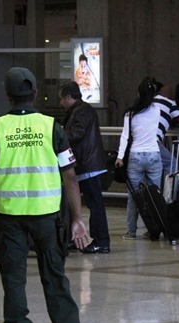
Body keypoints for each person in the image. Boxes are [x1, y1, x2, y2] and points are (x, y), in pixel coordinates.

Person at [0, 67, 88, 323]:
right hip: (47, 218)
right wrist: (77, 218)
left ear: (8, 97)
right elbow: (70, 176)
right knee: (55, 277)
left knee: (13, 281)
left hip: (9, 218)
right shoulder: (52, 127)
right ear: (36, 94)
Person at [58, 81, 111, 254]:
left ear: (68, 97)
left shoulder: (81, 111)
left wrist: (58, 137)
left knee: (95, 205)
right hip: (86, 164)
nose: (60, 103)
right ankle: (77, 238)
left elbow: (77, 133)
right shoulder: (80, 110)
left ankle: (101, 241)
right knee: (85, 203)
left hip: (88, 165)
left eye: (61, 99)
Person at [115, 77, 163, 240]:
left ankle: (131, 231)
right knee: (155, 196)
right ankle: (155, 229)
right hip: (154, 155)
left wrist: (120, 156)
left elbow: (125, 136)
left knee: (133, 197)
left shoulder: (130, 113)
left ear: (138, 93)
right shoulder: (157, 110)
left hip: (135, 156)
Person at [153, 81, 179, 181]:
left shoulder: (151, 102)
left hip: (137, 143)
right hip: (153, 142)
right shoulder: (170, 104)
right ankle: (168, 191)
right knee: (172, 163)